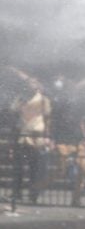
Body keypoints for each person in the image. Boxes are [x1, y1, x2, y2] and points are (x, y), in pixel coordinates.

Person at [10, 76, 51, 204]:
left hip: (37, 137)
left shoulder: (44, 100)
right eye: (28, 83)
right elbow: (13, 110)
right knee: (18, 168)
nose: (30, 85)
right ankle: (16, 193)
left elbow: (47, 118)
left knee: (35, 168)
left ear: (38, 85)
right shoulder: (21, 98)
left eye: (33, 83)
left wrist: (47, 136)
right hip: (23, 136)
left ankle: (33, 194)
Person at [48, 76, 85, 207]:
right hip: (62, 139)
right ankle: (36, 187)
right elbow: (52, 121)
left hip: (77, 139)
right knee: (61, 170)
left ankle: (76, 199)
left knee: (82, 169)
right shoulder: (58, 102)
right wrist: (51, 138)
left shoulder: (78, 103)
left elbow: (80, 121)